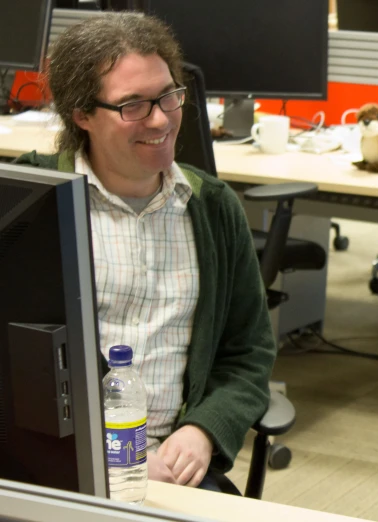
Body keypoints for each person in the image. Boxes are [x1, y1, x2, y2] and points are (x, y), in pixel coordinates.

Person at [15, 13, 276, 492]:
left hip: (175, 469)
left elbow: (248, 354)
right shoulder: (33, 203)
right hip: (56, 460)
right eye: (133, 105)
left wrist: (203, 430)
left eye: (168, 96)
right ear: (82, 114)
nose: (160, 119)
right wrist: (111, 453)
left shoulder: (213, 208)